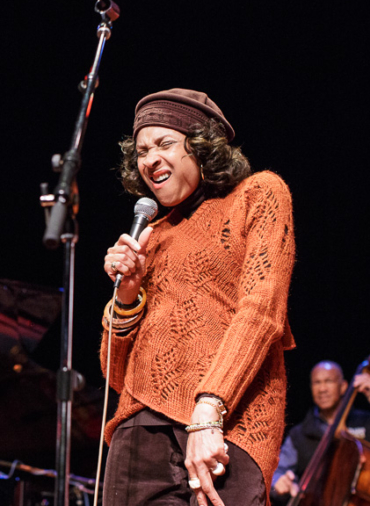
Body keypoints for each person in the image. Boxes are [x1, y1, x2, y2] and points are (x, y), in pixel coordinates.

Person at [100, 89, 295, 506]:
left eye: (164, 144)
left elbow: (262, 310)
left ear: (201, 146)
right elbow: (115, 375)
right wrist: (128, 296)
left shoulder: (259, 193)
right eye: (141, 151)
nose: (149, 159)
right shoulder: (152, 236)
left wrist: (210, 410)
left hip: (231, 422)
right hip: (140, 429)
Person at [270, 361, 370, 503]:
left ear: (343, 386)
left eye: (328, 381)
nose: (322, 388)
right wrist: (278, 482)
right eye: (317, 382)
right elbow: (276, 475)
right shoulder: (299, 433)